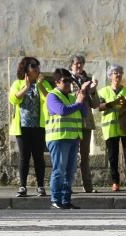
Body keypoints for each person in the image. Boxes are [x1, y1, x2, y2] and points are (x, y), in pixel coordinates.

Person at [45, 68, 95, 209]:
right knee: (59, 170)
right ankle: (56, 199)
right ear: (56, 82)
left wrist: (83, 94)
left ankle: (66, 200)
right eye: (65, 81)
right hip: (58, 138)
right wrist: (78, 103)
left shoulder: (73, 97)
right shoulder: (52, 96)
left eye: (70, 81)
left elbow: (84, 113)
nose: (68, 84)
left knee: (70, 172)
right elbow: (62, 111)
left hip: (73, 138)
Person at [8, 56, 51, 198]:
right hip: (22, 127)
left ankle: (40, 186)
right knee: (24, 156)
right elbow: (13, 99)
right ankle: (22, 186)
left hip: (39, 126)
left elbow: (50, 99)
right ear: (26, 69)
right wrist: (26, 88)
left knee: (39, 156)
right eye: (34, 67)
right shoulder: (18, 83)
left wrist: (40, 86)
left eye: (38, 66)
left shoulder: (43, 83)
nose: (37, 69)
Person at [99, 64, 126, 192]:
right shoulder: (103, 91)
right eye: (115, 73)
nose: (118, 75)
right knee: (112, 157)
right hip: (110, 128)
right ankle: (115, 182)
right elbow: (98, 107)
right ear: (110, 76)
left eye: (120, 73)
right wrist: (112, 104)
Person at [68, 55, 101, 193]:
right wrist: (83, 89)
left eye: (81, 63)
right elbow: (70, 99)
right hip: (71, 122)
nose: (79, 66)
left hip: (86, 123)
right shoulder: (66, 79)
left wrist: (92, 91)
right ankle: (67, 186)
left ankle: (88, 187)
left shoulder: (87, 80)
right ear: (71, 65)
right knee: (70, 155)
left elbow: (96, 104)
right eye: (76, 64)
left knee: (85, 156)